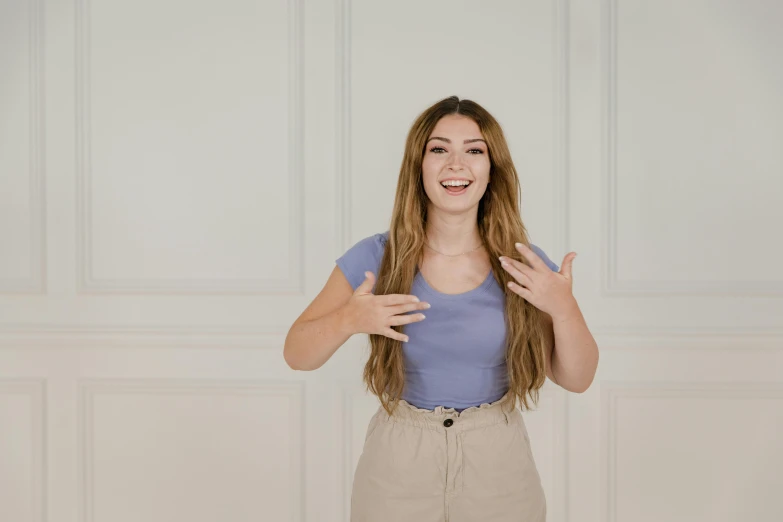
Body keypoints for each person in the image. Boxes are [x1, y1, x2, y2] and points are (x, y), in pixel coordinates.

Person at [284, 95, 598, 522]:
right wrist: (349, 319)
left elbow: (576, 379)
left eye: (473, 150)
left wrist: (564, 309)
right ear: (419, 166)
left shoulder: (523, 264)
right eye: (439, 149)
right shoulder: (376, 257)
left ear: (492, 169)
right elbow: (297, 354)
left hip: (499, 466)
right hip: (397, 465)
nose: (456, 164)